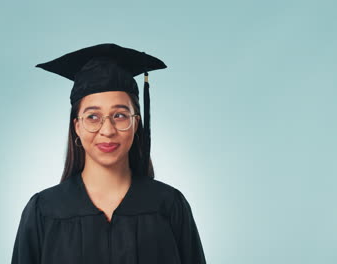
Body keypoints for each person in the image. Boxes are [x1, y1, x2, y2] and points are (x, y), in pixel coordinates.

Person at [11, 43, 207, 264]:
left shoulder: (169, 206)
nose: (107, 130)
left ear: (136, 123)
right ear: (76, 126)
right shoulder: (44, 211)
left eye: (120, 115)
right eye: (93, 117)